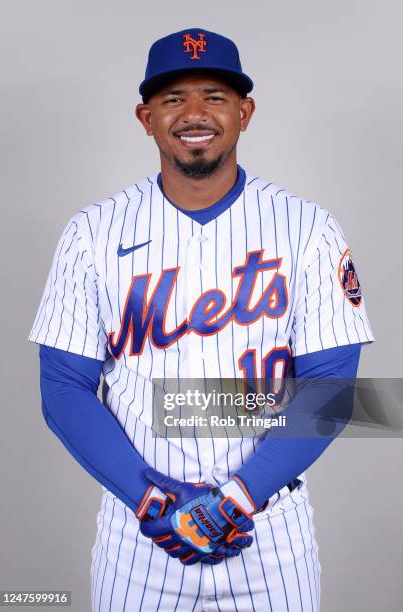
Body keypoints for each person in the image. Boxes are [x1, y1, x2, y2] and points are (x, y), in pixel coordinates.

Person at [29, 28, 374, 612]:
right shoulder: (92, 232)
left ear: (245, 112)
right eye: (172, 98)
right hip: (139, 538)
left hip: (270, 534)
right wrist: (149, 502)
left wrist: (240, 497)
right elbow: (63, 386)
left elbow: (333, 386)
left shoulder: (306, 227)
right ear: (145, 117)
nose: (194, 114)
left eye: (214, 95)